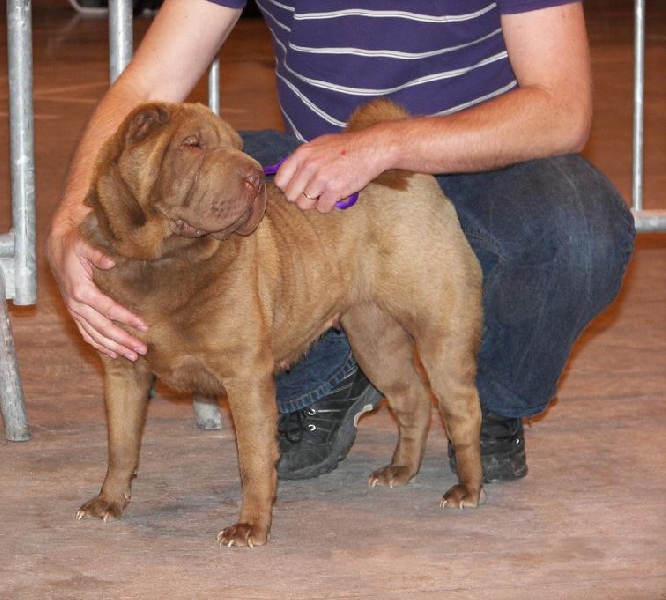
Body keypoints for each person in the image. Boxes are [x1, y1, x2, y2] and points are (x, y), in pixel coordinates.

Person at [47, 0, 635, 484]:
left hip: (489, 158)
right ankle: (335, 363)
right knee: (201, 196)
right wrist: (73, 225)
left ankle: (491, 397)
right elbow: (148, 86)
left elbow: (562, 106)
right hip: (321, 182)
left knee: (583, 231)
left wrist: (385, 146)